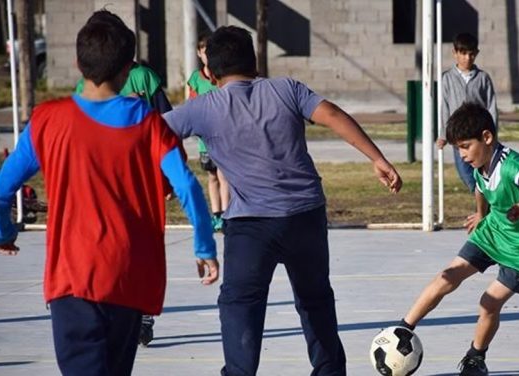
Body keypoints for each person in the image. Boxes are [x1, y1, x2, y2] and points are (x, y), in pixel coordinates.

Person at [0, 10, 219, 375]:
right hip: (127, 277)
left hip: (71, 280)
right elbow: (187, 185)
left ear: (78, 62)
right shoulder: (147, 122)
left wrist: (3, 231)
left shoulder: (48, 119)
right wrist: (204, 246)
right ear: (129, 68)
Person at [164, 25, 402, 376]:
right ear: (256, 63)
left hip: (250, 227)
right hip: (305, 215)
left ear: (210, 73)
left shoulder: (202, 108)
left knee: (241, 304)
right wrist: (377, 158)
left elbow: (149, 135)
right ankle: (330, 371)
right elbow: (333, 114)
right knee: (315, 299)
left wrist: (160, 177)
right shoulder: (286, 88)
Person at [398, 103, 519, 376]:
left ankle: (475, 357)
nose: (462, 155)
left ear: (487, 137)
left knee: (488, 303)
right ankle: (402, 329)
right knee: (447, 276)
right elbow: (481, 189)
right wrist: (481, 214)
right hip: (494, 230)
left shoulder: (512, 165)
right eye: (457, 148)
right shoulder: (479, 164)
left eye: (465, 146)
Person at [75, 17, 174, 346]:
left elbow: (165, 120)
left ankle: (141, 315)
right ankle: (103, 307)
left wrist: (165, 174)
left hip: (142, 181)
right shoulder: (83, 88)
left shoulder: (144, 78)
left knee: (140, 249)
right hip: (102, 184)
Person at [437, 32, 498, 192]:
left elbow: (491, 105)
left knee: (484, 170)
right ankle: (481, 197)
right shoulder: (447, 78)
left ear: (476, 53)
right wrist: (443, 135)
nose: (467, 58)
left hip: (478, 135)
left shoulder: (483, 78)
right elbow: (444, 107)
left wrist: (493, 131)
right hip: (458, 135)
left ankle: (485, 202)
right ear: (455, 53)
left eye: (471, 54)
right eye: (463, 53)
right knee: (465, 172)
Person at [186, 34, 229, 232]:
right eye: (204, 52)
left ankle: (228, 215)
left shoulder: (221, 75)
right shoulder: (195, 79)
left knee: (223, 176)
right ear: (199, 53)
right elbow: (191, 104)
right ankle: (217, 214)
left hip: (222, 136)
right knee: (211, 176)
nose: (207, 56)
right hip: (205, 139)